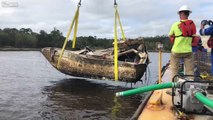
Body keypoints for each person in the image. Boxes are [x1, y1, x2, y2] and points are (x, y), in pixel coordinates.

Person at [168, 5, 196, 81]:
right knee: (190, 70)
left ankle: (173, 87)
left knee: (174, 69)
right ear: (188, 14)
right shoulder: (192, 25)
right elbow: (194, 36)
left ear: (181, 14)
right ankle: (190, 86)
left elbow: (170, 35)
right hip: (188, 51)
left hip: (176, 50)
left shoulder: (175, 25)